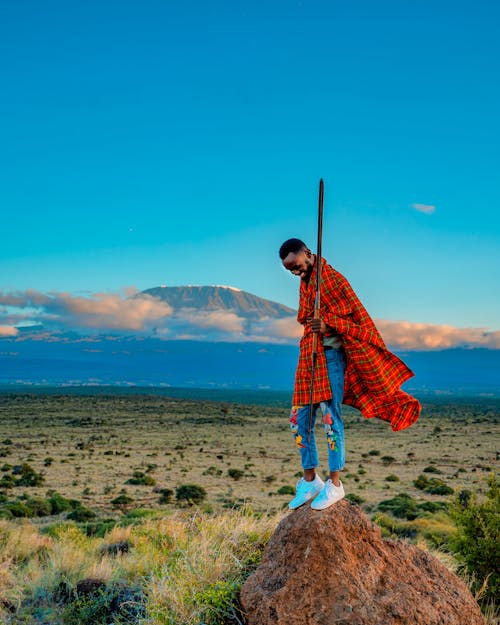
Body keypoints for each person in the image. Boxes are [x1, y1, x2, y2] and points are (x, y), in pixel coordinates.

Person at [279, 238, 421, 511]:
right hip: (308, 356)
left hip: (331, 357)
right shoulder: (307, 283)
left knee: (331, 418)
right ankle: (310, 480)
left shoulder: (333, 280)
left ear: (308, 254)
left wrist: (328, 322)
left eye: (296, 266)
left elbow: (360, 322)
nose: (295, 272)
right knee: (298, 419)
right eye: (289, 270)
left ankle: (335, 485)